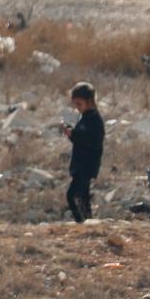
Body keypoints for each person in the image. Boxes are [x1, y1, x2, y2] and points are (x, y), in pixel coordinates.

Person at [61, 81, 104, 223]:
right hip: (81, 165)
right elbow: (81, 137)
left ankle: (82, 224)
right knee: (82, 197)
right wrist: (71, 133)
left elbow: (88, 139)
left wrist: (72, 134)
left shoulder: (94, 119)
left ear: (89, 101)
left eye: (79, 104)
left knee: (73, 196)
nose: (77, 108)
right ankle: (88, 223)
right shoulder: (86, 117)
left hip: (86, 165)